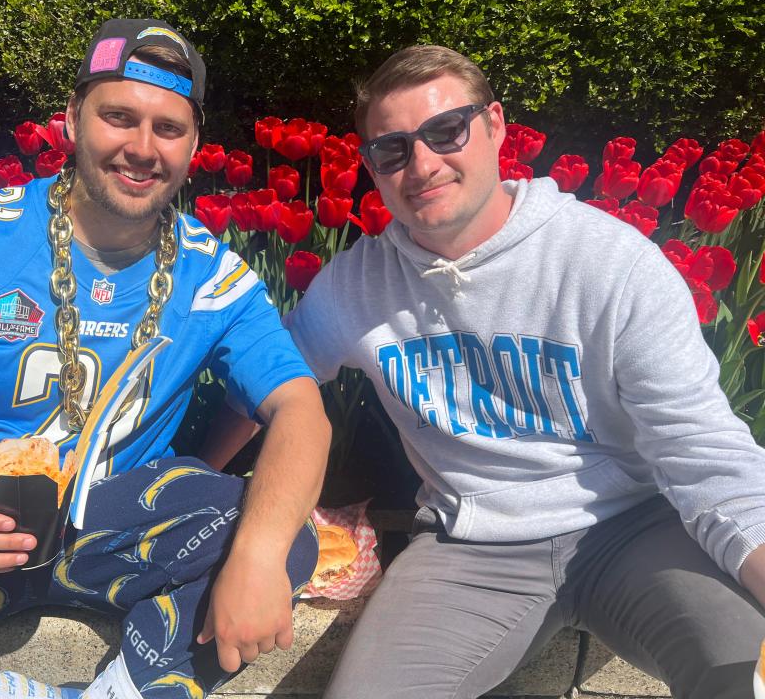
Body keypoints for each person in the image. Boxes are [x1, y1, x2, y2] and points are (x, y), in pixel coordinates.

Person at [211, 44, 765, 699]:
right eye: (392, 149)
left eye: (446, 131)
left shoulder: (608, 262)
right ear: (371, 167)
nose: (421, 164)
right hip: (469, 549)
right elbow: (272, 386)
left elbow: (702, 453)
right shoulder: (355, 286)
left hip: (633, 528)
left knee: (741, 671)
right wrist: (190, 479)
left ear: (495, 125)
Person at [0, 18, 329, 699]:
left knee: (286, 540)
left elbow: (299, 407)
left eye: (169, 128)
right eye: (119, 117)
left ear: (194, 144)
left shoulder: (214, 275)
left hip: (116, 518)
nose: (143, 148)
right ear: (74, 121)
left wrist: (256, 556)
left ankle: (127, 688)